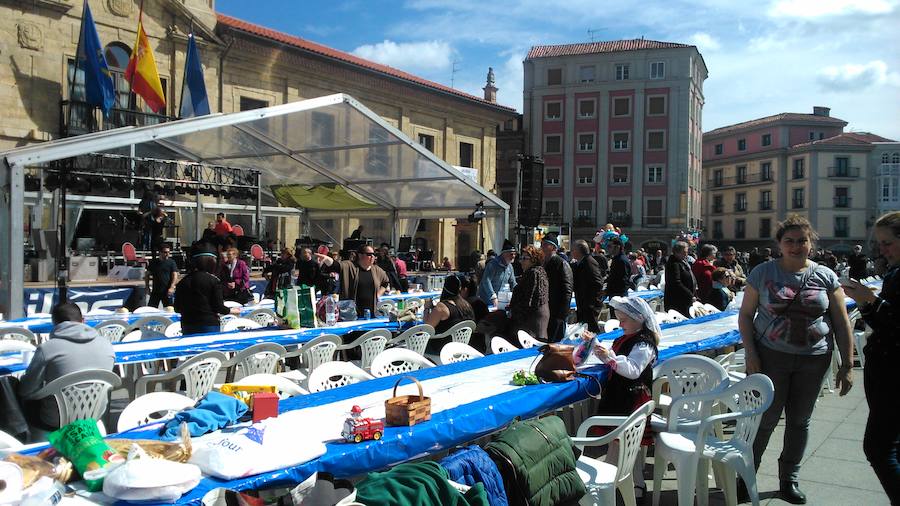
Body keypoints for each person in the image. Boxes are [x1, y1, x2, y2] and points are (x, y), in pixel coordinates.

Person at [738, 214, 854, 504]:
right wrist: (751, 352)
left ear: (811, 243)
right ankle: (745, 476)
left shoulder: (825, 276)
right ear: (779, 244)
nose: (796, 246)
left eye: (802, 240)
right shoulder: (763, 273)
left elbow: (841, 322)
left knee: (799, 422)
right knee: (765, 420)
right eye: (789, 241)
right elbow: (745, 315)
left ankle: (788, 480)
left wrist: (848, 364)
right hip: (770, 357)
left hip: (814, 359)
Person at [841, 212, 900, 503]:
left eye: (887, 243)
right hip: (885, 368)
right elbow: (883, 322)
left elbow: (896, 323)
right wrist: (866, 303)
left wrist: (872, 300)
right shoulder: (894, 271)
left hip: (893, 372)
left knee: (878, 448)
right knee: (891, 446)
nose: (883, 250)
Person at [590, 295, 661, 501]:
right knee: (619, 443)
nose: (620, 324)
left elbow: (632, 369)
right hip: (621, 396)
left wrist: (609, 357)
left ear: (638, 319)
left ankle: (629, 485)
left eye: (624, 320)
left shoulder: (644, 344)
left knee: (626, 444)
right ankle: (623, 483)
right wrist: (600, 350)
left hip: (632, 399)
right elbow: (617, 356)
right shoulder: (626, 337)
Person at [18, 303, 116, 431]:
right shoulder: (106, 345)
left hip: (54, 420)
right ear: (83, 321)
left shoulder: (48, 348)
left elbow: (25, 390)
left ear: (54, 323)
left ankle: (17, 439)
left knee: (15, 390)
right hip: (93, 416)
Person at [176, 242, 241, 335]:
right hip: (208, 325)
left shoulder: (183, 282)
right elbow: (218, 306)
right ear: (212, 262)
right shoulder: (213, 281)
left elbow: (177, 308)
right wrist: (231, 310)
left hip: (187, 324)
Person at [318, 244, 389, 318]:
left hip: (371, 314)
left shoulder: (377, 270)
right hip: (351, 314)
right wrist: (326, 259)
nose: (372, 257)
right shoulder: (350, 266)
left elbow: (386, 282)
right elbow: (336, 266)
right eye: (369, 254)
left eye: (374, 254)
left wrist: (378, 295)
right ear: (360, 255)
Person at [506, 244, 550, 341]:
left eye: (525, 258)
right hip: (535, 322)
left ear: (533, 259)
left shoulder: (534, 273)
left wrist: (514, 313)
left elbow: (528, 301)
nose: (521, 261)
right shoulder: (537, 272)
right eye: (521, 258)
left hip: (531, 325)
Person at [424, 274, 476, 353]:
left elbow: (427, 327)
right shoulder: (466, 304)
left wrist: (427, 308)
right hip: (463, 347)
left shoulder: (442, 307)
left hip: (442, 348)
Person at [541, 235, 573, 342]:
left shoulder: (561, 263)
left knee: (556, 343)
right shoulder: (543, 263)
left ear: (554, 248)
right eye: (542, 244)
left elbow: (567, 290)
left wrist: (562, 315)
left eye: (546, 245)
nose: (543, 247)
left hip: (557, 312)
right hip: (547, 310)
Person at [571, 239, 604, 333]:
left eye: (573, 249)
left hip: (589, 304)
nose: (572, 252)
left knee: (592, 331)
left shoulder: (589, 262)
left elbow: (597, 283)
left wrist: (590, 303)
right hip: (583, 303)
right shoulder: (581, 262)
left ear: (579, 251)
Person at [477, 240, 517, 307]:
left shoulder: (510, 267)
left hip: (500, 302)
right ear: (504, 254)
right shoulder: (493, 264)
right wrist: (493, 295)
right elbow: (486, 280)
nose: (513, 256)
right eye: (511, 254)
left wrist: (519, 292)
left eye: (514, 254)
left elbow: (513, 283)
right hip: (487, 301)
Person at [664, 241, 696, 319]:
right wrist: (690, 295)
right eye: (684, 252)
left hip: (685, 300)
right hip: (678, 301)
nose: (686, 254)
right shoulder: (674, 264)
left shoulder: (682, 262)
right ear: (676, 252)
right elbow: (676, 282)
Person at [605, 237, 632, 303]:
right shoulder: (617, 259)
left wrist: (607, 291)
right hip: (615, 293)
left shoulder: (621, 260)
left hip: (618, 295)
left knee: (616, 313)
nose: (607, 248)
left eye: (609, 246)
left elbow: (621, 280)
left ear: (617, 247)